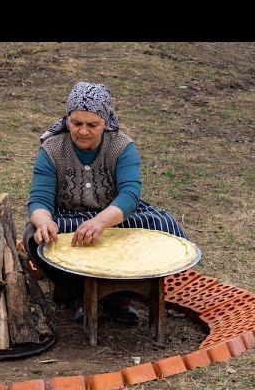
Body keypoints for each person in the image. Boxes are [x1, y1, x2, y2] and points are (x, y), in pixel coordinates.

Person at [23, 81, 186, 325]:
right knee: (34, 236)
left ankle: (121, 296)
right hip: (68, 217)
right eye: (76, 123)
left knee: (163, 225)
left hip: (115, 216)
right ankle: (75, 294)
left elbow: (130, 194)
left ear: (106, 122)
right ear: (67, 119)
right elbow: (39, 199)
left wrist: (100, 222)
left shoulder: (122, 146)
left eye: (92, 125)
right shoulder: (52, 149)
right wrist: (44, 221)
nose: (83, 131)